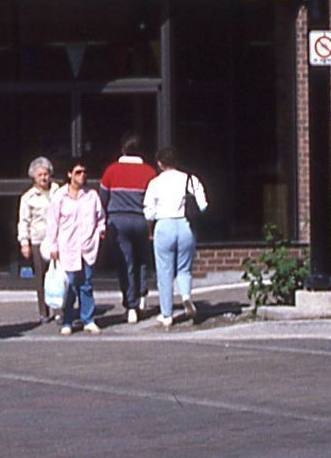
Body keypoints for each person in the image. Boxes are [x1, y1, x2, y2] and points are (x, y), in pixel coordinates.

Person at [142, 145, 210, 327]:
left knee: (164, 272)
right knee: (184, 269)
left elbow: (148, 213)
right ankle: (186, 296)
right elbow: (203, 205)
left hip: (164, 225)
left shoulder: (155, 183)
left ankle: (167, 314)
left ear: (159, 163)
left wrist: (151, 226)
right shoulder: (190, 179)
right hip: (185, 225)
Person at [98, 135, 158, 323]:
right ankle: (142, 296)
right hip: (141, 220)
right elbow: (154, 199)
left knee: (126, 263)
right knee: (142, 260)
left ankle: (130, 305)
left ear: (123, 150)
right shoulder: (149, 172)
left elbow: (103, 198)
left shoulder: (111, 170)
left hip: (118, 221)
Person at [45, 159, 108, 334]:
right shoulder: (60, 196)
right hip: (67, 248)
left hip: (87, 247)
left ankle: (88, 319)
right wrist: (53, 246)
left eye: (84, 172)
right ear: (69, 174)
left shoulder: (92, 196)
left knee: (86, 284)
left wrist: (100, 232)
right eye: (78, 172)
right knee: (70, 285)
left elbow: (101, 218)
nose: (82, 176)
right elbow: (52, 223)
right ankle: (67, 320)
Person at [15, 157, 58, 323]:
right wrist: (24, 243)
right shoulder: (28, 197)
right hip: (38, 240)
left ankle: (59, 309)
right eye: (40, 175)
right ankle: (44, 311)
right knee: (40, 277)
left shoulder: (58, 191)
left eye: (45, 174)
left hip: (56, 239)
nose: (43, 178)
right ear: (33, 176)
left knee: (58, 276)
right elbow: (24, 221)